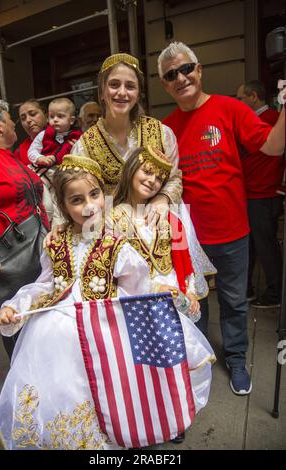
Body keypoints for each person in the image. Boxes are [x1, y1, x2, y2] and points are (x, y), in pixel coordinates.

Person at [0, 155, 152, 450]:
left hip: (105, 333)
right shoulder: (54, 242)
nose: (89, 206)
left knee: (104, 394)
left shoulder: (117, 245)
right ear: (64, 207)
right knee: (61, 392)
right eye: (77, 200)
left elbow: (139, 294)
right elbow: (45, 285)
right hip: (53, 333)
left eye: (94, 195)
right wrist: (16, 307)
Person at [158, 41, 285, 396]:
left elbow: (273, 146)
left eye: (185, 69)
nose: (180, 78)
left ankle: (236, 358)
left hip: (231, 231)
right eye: (171, 75)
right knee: (193, 302)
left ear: (198, 70)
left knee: (233, 301)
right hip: (188, 239)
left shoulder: (230, 109)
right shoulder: (166, 129)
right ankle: (201, 361)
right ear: (165, 85)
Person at [111, 146, 216, 443]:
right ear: (130, 169)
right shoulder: (109, 216)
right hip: (133, 301)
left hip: (170, 302)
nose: (152, 180)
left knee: (173, 360)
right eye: (147, 171)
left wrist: (187, 289)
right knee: (141, 364)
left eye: (159, 177)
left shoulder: (170, 217)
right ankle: (145, 418)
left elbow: (182, 258)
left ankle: (175, 416)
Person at [71, 53, 182, 222]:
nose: (122, 92)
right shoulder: (84, 146)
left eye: (130, 86)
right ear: (101, 92)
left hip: (156, 224)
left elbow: (174, 178)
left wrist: (163, 198)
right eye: (114, 85)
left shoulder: (162, 133)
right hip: (110, 231)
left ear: (138, 94)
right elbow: (73, 191)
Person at [0, 98, 49, 358]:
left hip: (37, 253)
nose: (15, 123)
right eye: (11, 118)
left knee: (43, 327)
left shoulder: (11, 156)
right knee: (19, 329)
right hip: (8, 261)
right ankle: (26, 395)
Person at [236, 80, 284, 308]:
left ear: (253, 96)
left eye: (241, 98)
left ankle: (276, 294)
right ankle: (247, 289)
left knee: (266, 246)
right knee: (253, 245)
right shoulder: (258, 121)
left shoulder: (272, 120)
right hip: (253, 193)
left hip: (263, 194)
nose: (239, 102)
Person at [28, 97, 82, 224]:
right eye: (52, 116)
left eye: (60, 116)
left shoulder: (77, 138)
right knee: (47, 206)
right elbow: (31, 152)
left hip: (63, 178)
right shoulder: (44, 134)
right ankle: (44, 224)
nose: (55, 120)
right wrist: (40, 158)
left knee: (63, 207)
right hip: (43, 174)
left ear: (71, 120)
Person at [14, 99, 47, 166]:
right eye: (23, 118)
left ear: (46, 116)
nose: (28, 120)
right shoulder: (19, 152)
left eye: (32, 114)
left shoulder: (67, 138)